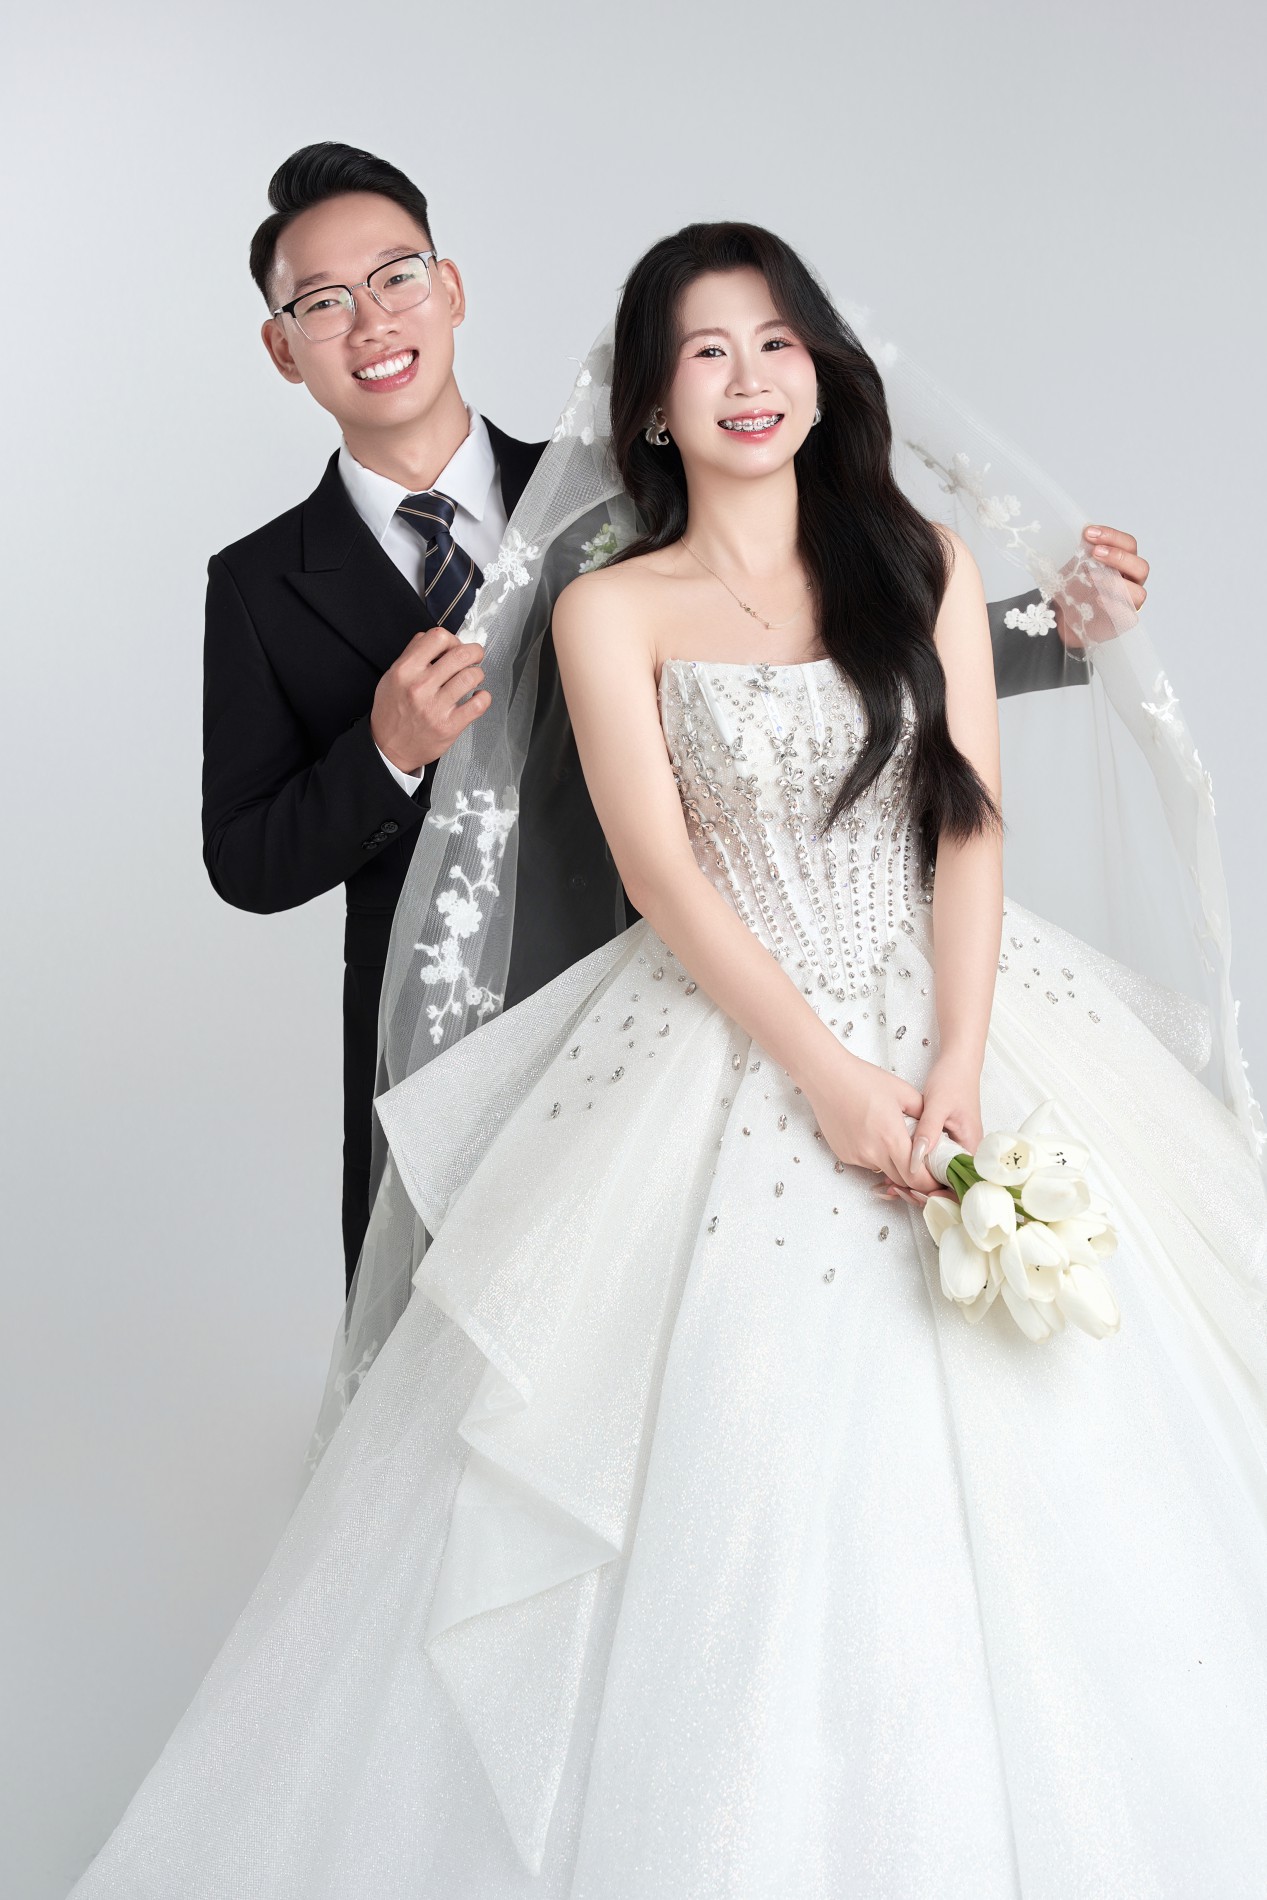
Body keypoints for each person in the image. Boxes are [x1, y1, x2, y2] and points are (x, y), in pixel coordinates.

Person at [74, 223, 1266, 1898]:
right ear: (647, 402)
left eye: (775, 342)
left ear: (822, 368)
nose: (748, 377)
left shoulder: (914, 560)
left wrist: (958, 1058)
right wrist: (830, 1081)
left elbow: (965, 821)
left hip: (961, 1013)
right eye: (705, 351)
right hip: (708, 1033)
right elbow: (657, 874)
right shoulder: (598, 597)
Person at [205, 143, 1150, 1295]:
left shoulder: (612, 489)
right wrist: (385, 755)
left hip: (665, 990)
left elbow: (810, 648)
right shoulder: (260, 583)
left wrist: (1056, 628)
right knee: (465, 1343)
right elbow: (245, 857)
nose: (371, 320)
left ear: (448, 289)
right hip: (456, 1024)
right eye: (322, 302)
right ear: (282, 344)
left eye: (396, 277)